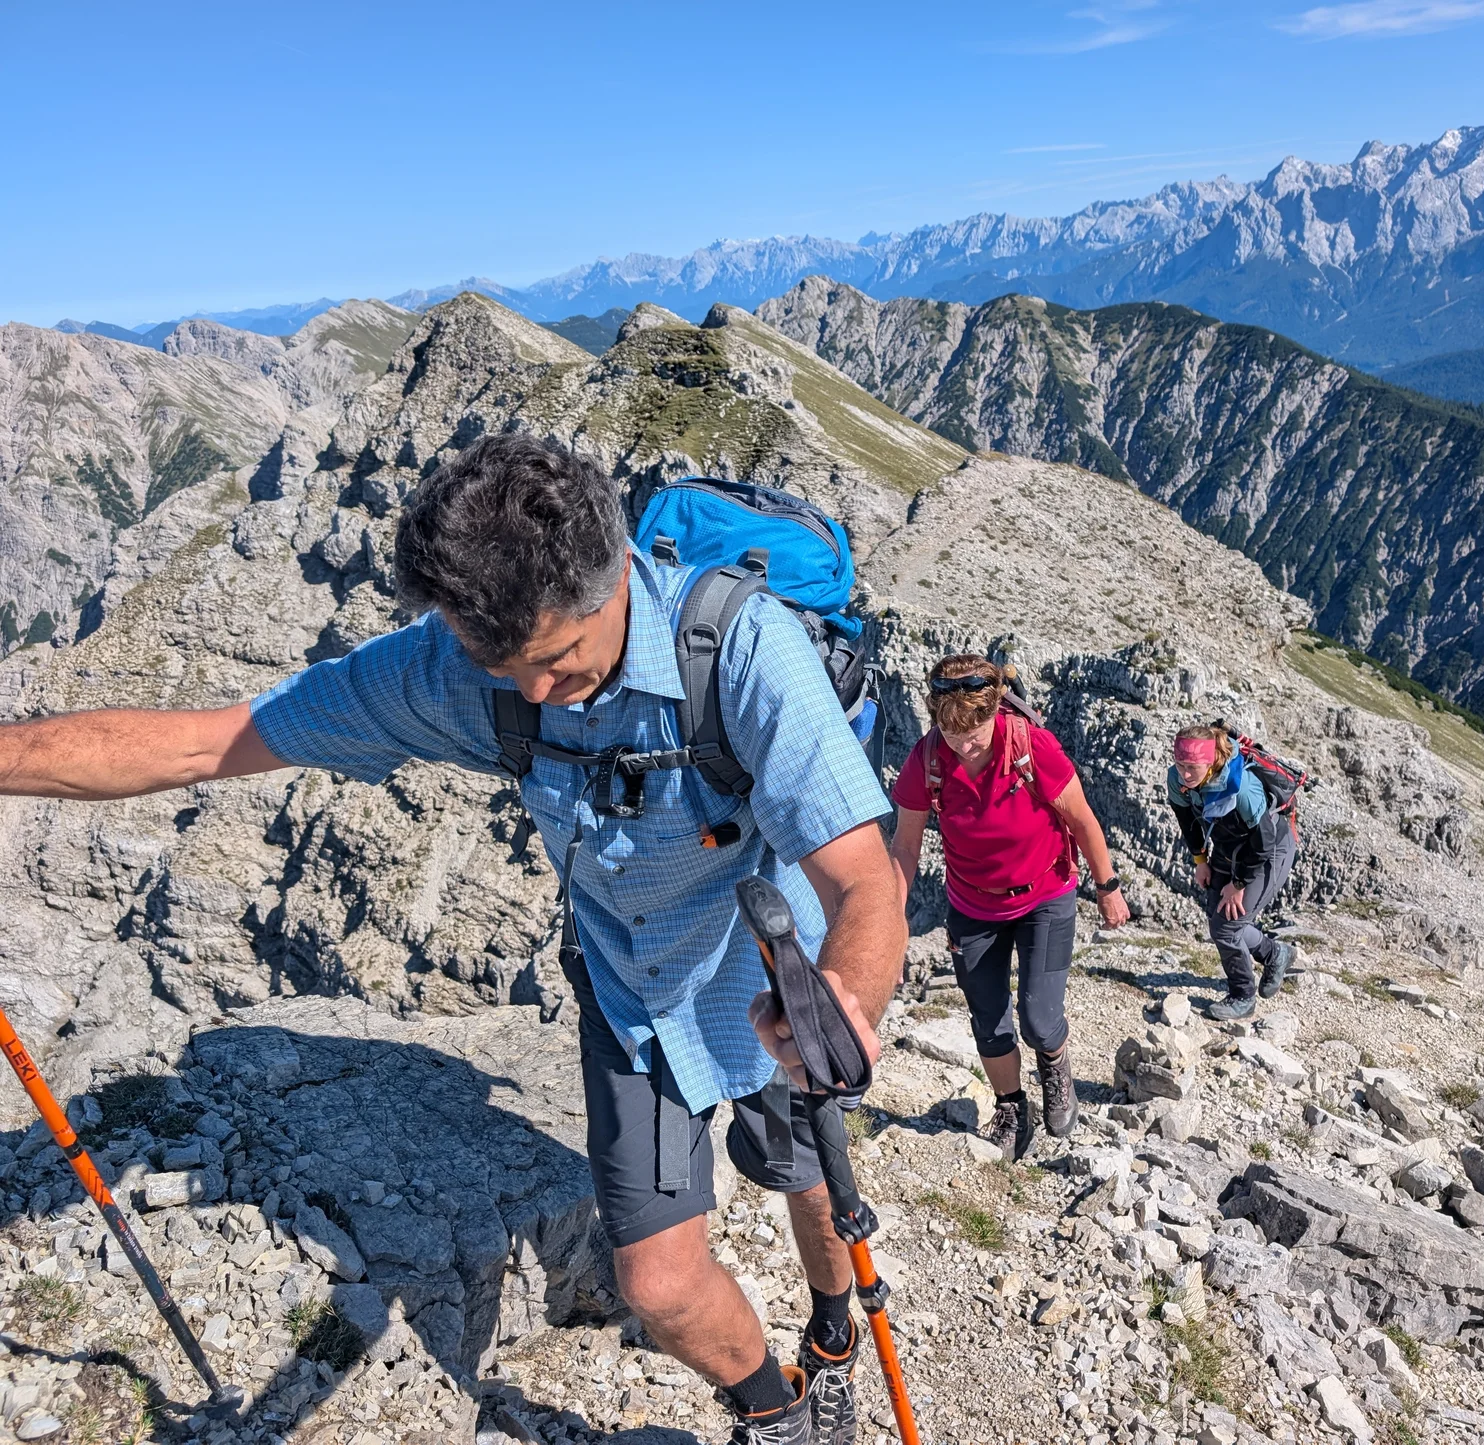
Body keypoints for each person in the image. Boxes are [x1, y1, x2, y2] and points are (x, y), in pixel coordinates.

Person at [0, 434, 905, 1445]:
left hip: (778, 971)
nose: (531, 697)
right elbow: (205, 741)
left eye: (559, 661)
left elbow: (867, 878)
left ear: (621, 579)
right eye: (501, 667)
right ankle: (778, 1412)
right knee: (656, 1280)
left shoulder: (745, 650)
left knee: (806, 1170)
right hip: (634, 989)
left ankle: (832, 1337)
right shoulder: (454, 669)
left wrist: (843, 995)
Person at [889, 656, 1129, 1159]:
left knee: (1039, 1019)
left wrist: (1107, 887)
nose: (965, 745)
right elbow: (906, 846)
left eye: (974, 731)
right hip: (973, 906)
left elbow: (1083, 820)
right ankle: (1011, 1107)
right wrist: (890, 917)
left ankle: (1055, 1067)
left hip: (1046, 895)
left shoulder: (1029, 745)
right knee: (988, 1020)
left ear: (994, 710)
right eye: (951, 734)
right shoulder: (927, 760)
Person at [1167, 723, 1296, 1021]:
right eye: (1180, 764)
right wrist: (1201, 860)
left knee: (1226, 928)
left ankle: (1243, 996)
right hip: (1229, 850)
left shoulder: (1241, 787)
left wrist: (1238, 884)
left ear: (1210, 760)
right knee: (1219, 918)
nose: (1185, 773)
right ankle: (1275, 954)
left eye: (1193, 766)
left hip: (1269, 852)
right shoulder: (1178, 780)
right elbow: (1187, 821)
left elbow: (1263, 843)